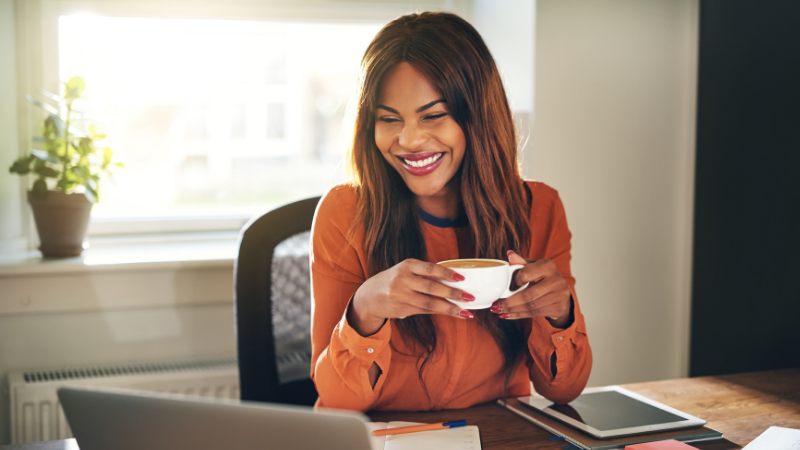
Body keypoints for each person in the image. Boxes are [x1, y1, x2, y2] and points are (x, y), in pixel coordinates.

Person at [310, 11, 592, 412]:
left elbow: (563, 390)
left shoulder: (539, 209)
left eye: (433, 116)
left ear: (477, 116)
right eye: (389, 119)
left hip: (494, 438)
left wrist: (561, 315)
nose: (408, 140)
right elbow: (338, 402)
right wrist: (365, 309)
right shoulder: (344, 213)